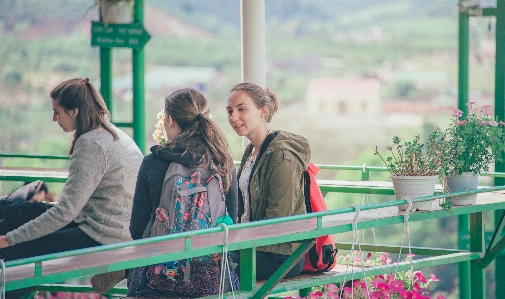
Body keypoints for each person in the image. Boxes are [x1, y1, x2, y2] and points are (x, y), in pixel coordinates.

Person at [0, 78, 144, 261]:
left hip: (103, 236)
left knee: (13, 250)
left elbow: (66, 211)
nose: (54, 119)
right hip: (119, 229)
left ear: (74, 111)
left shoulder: (91, 143)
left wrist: (9, 240)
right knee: (25, 211)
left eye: (56, 112)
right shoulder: (110, 132)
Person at [126, 88, 239, 298]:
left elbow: (137, 228)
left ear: (170, 120)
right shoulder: (223, 161)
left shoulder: (153, 162)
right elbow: (232, 221)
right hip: (213, 283)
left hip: (158, 282)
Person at [226, 82, 310, 280]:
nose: (233, 117)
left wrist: (236, 238)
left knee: (206, 269)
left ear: (263, 111)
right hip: (252, 246)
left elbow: (278, 220)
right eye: (230, 111)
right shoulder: (252, 151)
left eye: (242, 109)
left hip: (281, 255)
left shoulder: (281, 156)